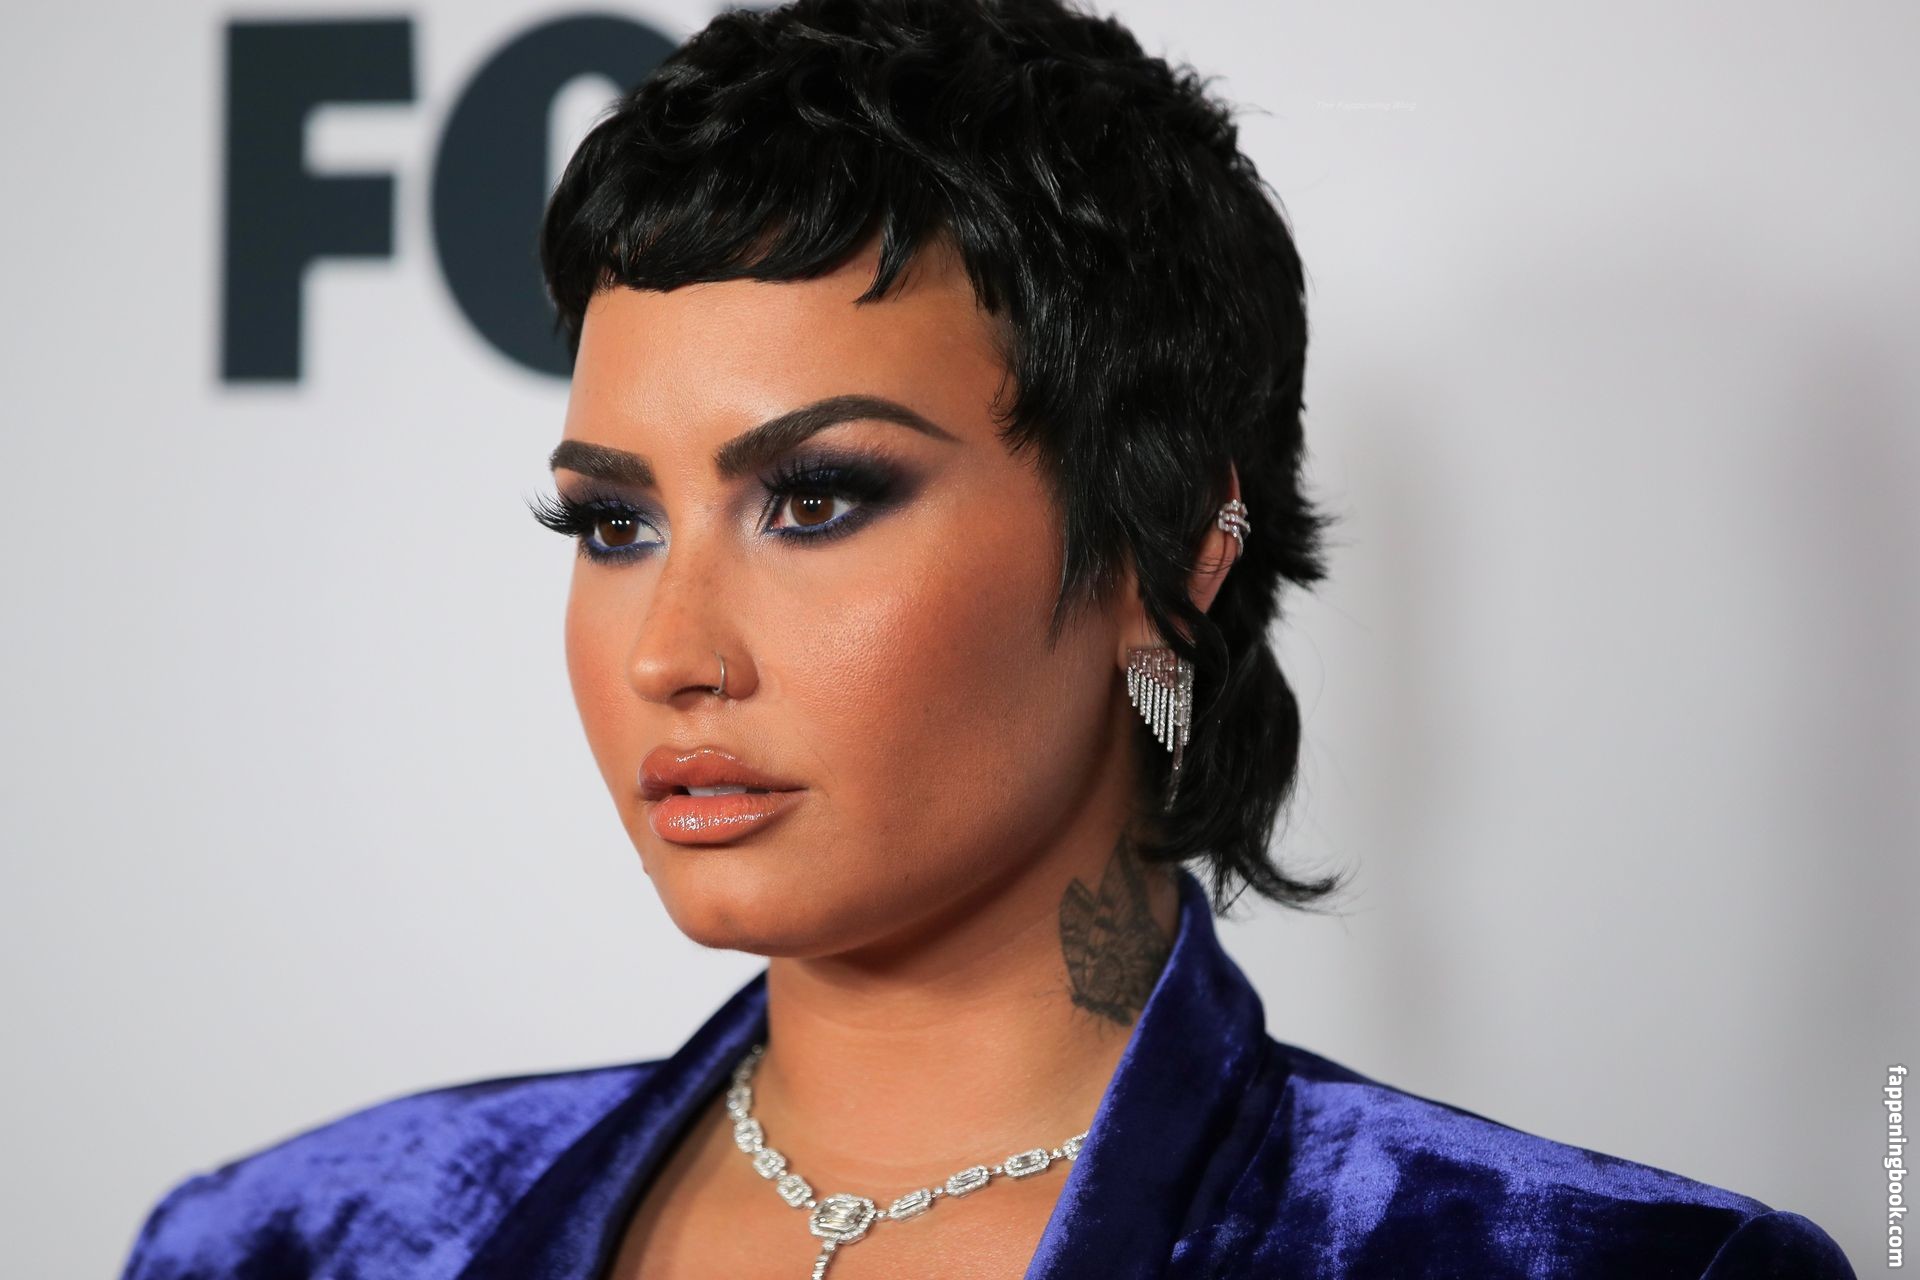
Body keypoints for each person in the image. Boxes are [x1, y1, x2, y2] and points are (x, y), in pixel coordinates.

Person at [117, 0, 1857, 1276]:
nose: (670, 653)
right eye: (615, 524)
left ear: (1166, 550)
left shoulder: (1595, 1268)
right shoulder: (281, 1246)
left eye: (816, 499)